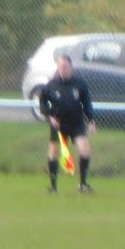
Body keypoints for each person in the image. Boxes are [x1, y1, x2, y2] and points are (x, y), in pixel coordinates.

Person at [38, 51, 94, 193]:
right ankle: (53, 187)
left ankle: (83, 184)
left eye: (65, 67)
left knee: (84, 150)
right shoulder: (51, 85)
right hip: (59, 124)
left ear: (71, 67)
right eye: (60, 67)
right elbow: (43, 103)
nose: (63, 69)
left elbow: (87, 102)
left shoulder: (80, 83)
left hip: (76, 123)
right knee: (54, 153)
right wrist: (50, 116)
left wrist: (91, 120)